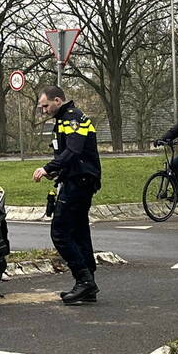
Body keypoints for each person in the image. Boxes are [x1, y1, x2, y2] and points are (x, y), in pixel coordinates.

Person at [32, 85, 102, 305]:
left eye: (45, 106)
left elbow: (74, 150)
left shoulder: (72, 118)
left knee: (60, 232)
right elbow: (70, 155)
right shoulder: (64, 119)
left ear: (58, 101)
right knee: (79, 231)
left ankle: (84, 280)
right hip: (78, 178)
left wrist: (47, 167)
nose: (43, 110)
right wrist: (57, 172)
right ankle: (87, 282)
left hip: (80, 181)